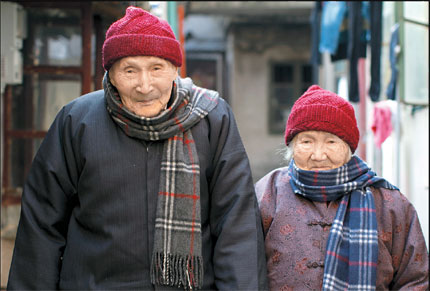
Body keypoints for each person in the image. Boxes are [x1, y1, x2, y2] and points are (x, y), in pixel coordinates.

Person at [8, 6, 268, 290]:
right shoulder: (77, 121)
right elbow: (41, 224)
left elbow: (236, 221)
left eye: (156, 68)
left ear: (174, 69)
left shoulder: (212, 119)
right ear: (111, 74)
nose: (145, 86)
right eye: (130, 70)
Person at [255, 85, 429, 290]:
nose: (318, 155)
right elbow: (243, 268)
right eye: (307, 141)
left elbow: (415, 280)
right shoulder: (267, 192)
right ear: (292, 147)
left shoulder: (389, 203)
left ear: (348, 147)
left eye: (330, 142)